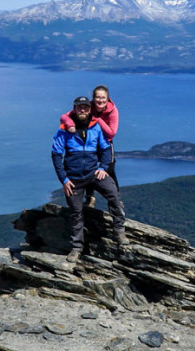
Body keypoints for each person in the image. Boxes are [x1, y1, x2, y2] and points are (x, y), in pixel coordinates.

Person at [51, 96, 129, 263]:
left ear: (89, 109)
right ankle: (76, 247)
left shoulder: (96, 126)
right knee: (76, 212)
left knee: (113, 194)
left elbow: (106, 149)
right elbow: (56, 155)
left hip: (94, 174)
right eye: (80, 107)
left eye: (86, 107)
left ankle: (119, 231)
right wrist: (64, 180)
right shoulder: (64, 130)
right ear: (75, 108)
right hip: (74, 179)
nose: (83, 110)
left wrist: (102, 168)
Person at [59, 85, 120, 205]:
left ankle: (116, 199)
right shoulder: (88, 107)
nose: (100, 100)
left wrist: (96, 119)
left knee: (110, 168)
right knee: (88, 166)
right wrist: (70, 123)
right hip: (90, 138)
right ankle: (89, 197)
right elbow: (64, 117)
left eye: (103, 98)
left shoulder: (113, 111)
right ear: (93, 98)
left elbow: (111, 134)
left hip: (105, 141)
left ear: (108, 99)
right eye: (98, 97)